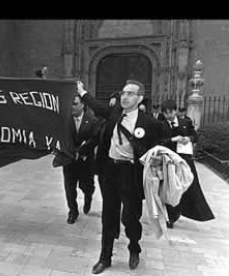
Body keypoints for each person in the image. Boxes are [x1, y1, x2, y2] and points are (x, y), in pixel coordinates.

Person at [77, 79, 164, 274]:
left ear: (140, 98)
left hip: (131, 174)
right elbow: (97, 105)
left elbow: (163, 140)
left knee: (131, 217)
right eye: (123, 93)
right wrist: (82, 92)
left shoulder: (148, 122)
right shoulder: (114, 113)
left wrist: (157, 157)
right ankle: (104, 257)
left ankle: (134, 248)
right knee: (108, 216)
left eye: (130, 94)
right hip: (110, 171)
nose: (124, 97)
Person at [160, 99, 214, 228]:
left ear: (176, 110)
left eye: (171, 112)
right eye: (166, 113)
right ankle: (170, 216)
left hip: (185, 160)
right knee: (170, 187)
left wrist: (188, 138)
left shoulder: (186, 122)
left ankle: (187, 210)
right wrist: (173, 139)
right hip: (169, 161)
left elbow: (195, 136)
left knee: (189, 185)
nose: (169, 115)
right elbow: (159, 141)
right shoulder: (160, 125)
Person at [63, 94, 103, 224]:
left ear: (83, 105)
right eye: (70, 104)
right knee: (70, 188)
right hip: (69, 161)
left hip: (86, 162)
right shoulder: (64, 120)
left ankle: (88, 197)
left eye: (75, 104)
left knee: (87, 186)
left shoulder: (92, 120)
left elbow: (95, 139)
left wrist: (82, 150)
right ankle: (73, 211)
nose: (72, 107)